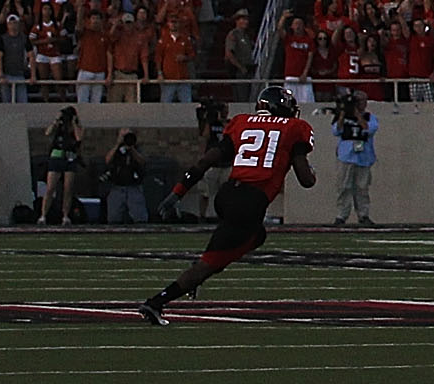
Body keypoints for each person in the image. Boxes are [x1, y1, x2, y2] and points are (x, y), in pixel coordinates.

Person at [135, 85, 317, 322]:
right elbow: (306, 180)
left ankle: (204, 265)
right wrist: (311, 171)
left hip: (228, 194)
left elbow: (207, 160)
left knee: (256, 236)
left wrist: (177, 193)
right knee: (209, 264)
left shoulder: (241, 122)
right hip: (249, 204)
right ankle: (156, 302)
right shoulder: (295, 128)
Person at [331, 90, 378, 226]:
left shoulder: (370, 117)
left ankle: (363, 215)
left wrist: (357, 115)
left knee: (362, 188)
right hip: (346, 156)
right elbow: (336, 130)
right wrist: (343, 113)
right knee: (343, 187)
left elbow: (369, 129)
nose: (359, 104)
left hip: (364, 157)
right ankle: (341, 215)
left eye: (362, 101)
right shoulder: (344, 116)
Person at [41, 107, 87, 226]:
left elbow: (79, 138)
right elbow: (47, 132)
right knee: (50, 188)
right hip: (56, 156)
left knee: (68, 189)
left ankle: (65, 215)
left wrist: (74, 122)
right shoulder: (59, 127)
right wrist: (56, 121)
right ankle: (43, 215)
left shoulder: (76, 127)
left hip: (70, 157)